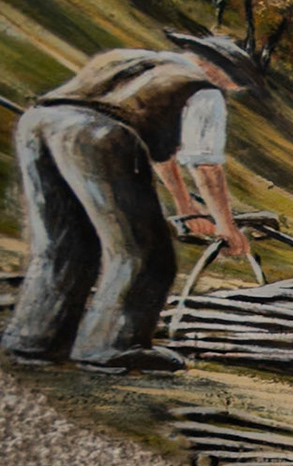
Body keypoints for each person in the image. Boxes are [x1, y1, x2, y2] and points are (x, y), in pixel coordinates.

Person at [4, 31, 261, 372]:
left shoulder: (131, 62)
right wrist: (227, 227)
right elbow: (205, 165)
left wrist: (185, 207)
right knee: (144, 253)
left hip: (38, 124)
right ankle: (111, 345)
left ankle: (34, 339)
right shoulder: (204, 91)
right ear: (225, 72)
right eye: (235, 84)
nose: (233, 91)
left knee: (63, 244)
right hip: (100, 138)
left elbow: (162, 153)